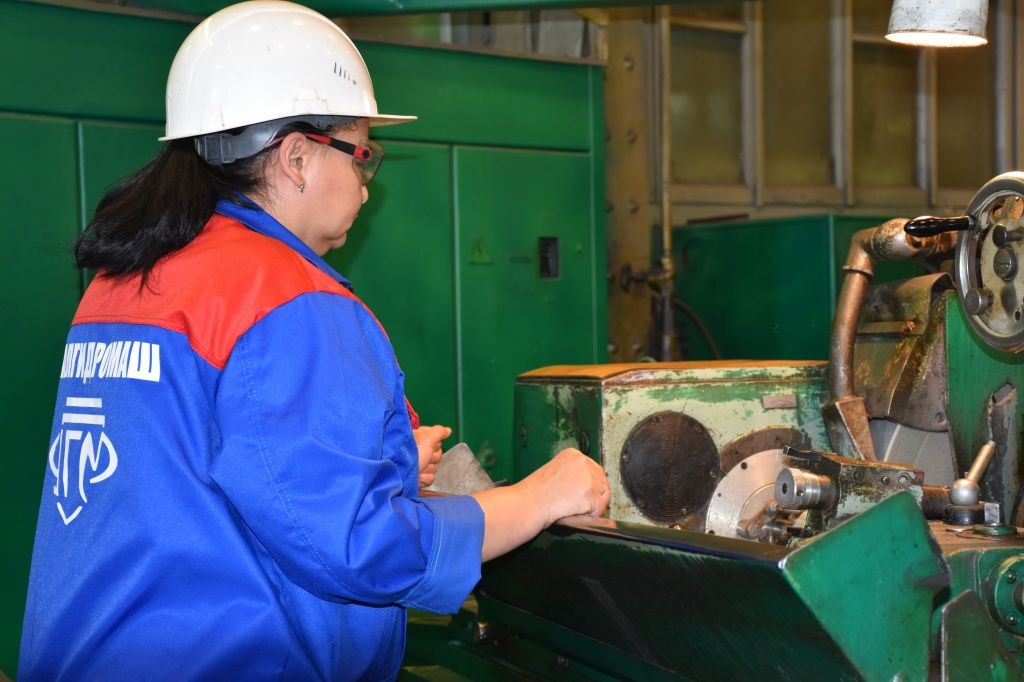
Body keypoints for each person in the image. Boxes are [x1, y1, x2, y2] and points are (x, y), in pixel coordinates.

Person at [17, 2, 609, 680]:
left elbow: (191, 469)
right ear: (297, 157)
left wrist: (382, 459)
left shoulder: (127, 276)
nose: (365, 187)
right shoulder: (283, 296)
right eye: (363, 157)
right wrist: (539, 496)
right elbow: (361, 548)